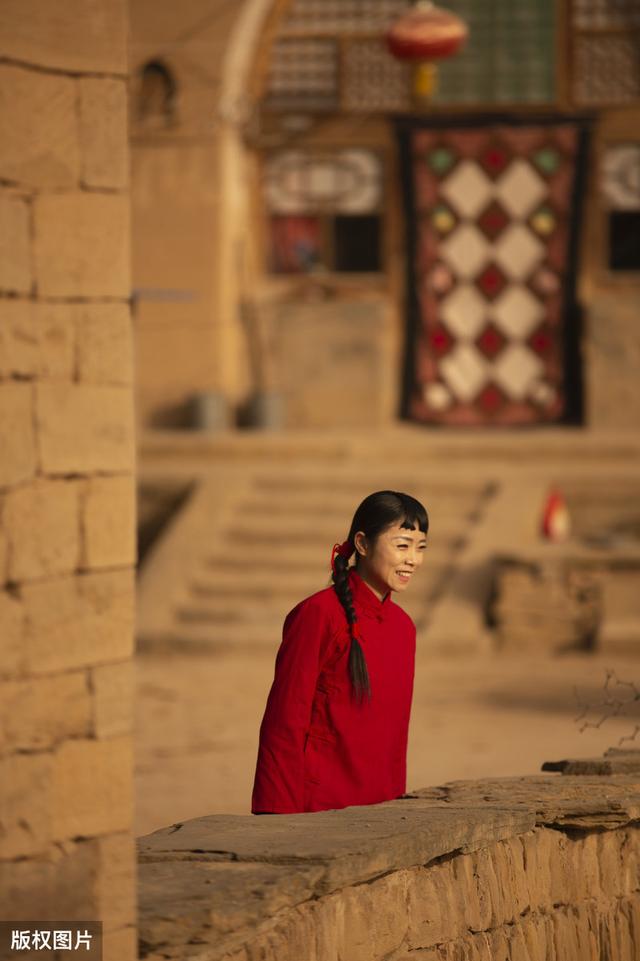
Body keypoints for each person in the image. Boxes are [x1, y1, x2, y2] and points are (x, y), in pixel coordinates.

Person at [251, 490, 429, 815]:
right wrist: (277, 815)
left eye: (420, 548)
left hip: (381, 808)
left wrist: (394, 810)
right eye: (402, 545)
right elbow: (285, 720)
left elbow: (393, 740)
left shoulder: (404, 628)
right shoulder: (318, 614)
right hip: (318, 808)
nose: (413, 560)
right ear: (362, 544)